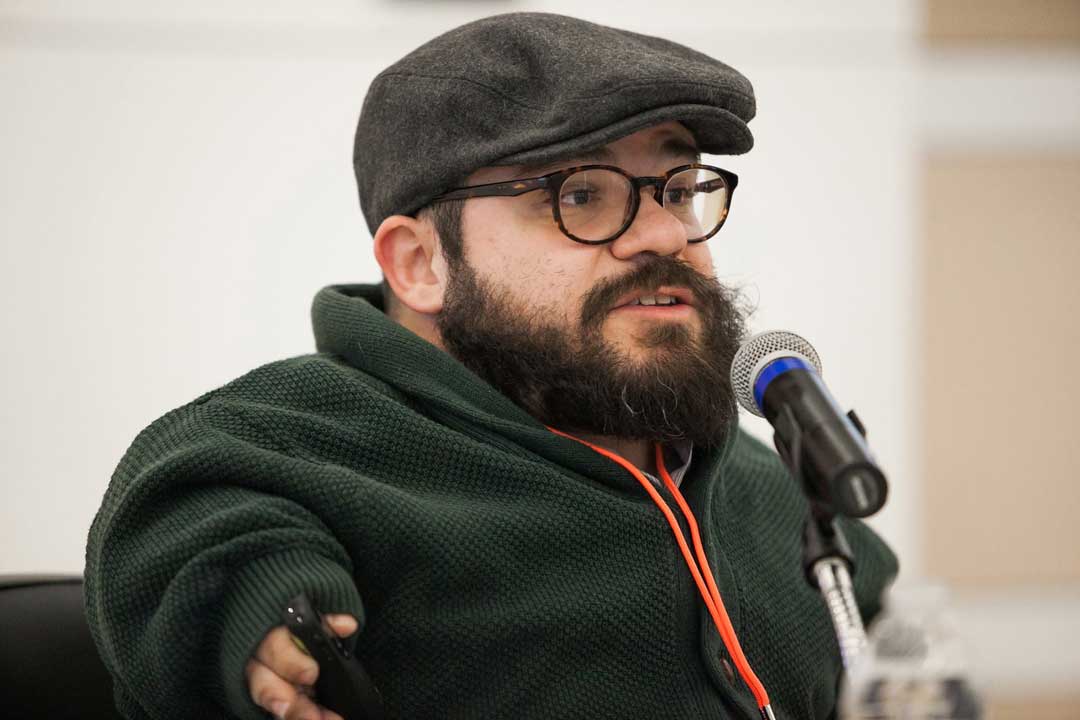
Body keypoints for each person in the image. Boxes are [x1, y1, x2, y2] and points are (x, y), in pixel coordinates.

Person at [84, 12, 897, 720]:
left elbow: (888, 634)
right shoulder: (292, 438)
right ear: (419, 264)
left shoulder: (768, 484)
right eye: (580, 194)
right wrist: (267, 621)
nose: (663, 237)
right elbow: (194, 530)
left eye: (678, 187)